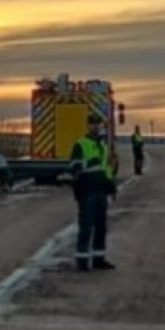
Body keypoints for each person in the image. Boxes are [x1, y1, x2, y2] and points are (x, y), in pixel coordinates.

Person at [69, 114, 117, 271]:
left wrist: (111, 186)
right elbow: (73, 168)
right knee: (86, 227)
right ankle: (82, 261)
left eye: (97, 124)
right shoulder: (80, 145)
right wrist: (88, 162)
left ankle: (99, 259)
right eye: (92, 124)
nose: (95, 127)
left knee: (101, 227)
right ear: (87, 125)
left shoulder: (103, 146)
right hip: (87, 191)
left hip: (101, 191)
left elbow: (106, 169)